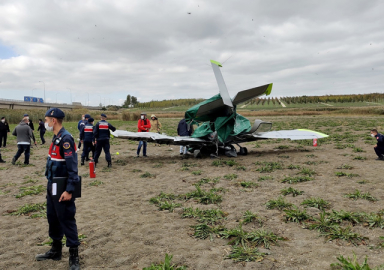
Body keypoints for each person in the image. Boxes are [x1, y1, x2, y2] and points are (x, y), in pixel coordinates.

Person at [35, 108, 80, 270]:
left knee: (66, 219)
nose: (44, 123)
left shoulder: (66, 139)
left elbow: (73, 169)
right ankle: (56, 250)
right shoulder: (56, 138)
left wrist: (69, 190)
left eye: (46, 120)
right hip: (52, 185)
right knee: (52, 217)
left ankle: (74, 256)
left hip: (62, 187)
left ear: (53, 120)